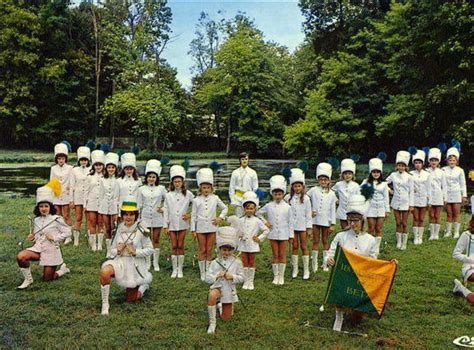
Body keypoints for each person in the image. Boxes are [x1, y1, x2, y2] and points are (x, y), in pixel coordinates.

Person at [326, 194, 378, 331]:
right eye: (350, 220)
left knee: (357, 318)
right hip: (343, 274)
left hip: (360, 277)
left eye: (356, 221)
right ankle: (339, 316)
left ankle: (356, 312)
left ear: (363, 221)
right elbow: (330, 252)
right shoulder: (341, 236)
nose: (353, 224)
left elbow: (373, 260)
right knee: (340, 294)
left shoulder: (370, 240)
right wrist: (328, 259)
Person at [99, 197, 154, 316]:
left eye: (131, 214)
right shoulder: (118, 229)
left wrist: (136, 252)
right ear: (122, 216)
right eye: (126, 214)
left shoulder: (141, 230)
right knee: (105, 272)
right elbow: (111, 251)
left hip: (135, 265)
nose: (128, 217)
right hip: (119, 262)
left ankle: (143, 287)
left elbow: (150, 249)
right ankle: (105, 304)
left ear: (136, 215)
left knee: (131, 299)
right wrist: (117, 251)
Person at [16, 185, 71, 289]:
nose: (44, 209)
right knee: (21, 256)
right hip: (38, 249)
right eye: (41, 206)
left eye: (46, 206)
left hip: (51, 251)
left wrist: (55, 238)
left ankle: (62, 271)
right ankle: (28, 280)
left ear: (50, 207)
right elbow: (38, 235)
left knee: (47, 279)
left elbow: (68, 232)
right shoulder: (36, 220)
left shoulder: (57, 219)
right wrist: (33, 237)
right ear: (38, 208)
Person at [205, 226, 245, 334]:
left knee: (226, 317)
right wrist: (217, 276)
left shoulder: (237, 262)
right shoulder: (215, 262)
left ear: (233, 250)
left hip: (229, 291)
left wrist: (232, 277)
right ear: (220, 249)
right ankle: (212, 323)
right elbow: (207, 278)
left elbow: (242, 278)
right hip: (218, 287)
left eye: (229, 250)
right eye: (224, 250)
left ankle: (220, 306)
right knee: (212, 295)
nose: (226, 253)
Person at [192, 168, 228, 281]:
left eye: (208, 187)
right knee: (202, 249)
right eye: (204, 188)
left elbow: (225, 208)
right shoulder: (196, 200)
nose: (206, 190)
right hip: (201, 228)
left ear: (211, 188)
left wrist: (220, 218)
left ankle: (208, 271)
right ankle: (202, 272)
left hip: (212, 227)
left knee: (209, 249)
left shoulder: (215, 198)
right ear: (200, 188)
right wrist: (193, 230)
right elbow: (193, 216)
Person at [255, 175, 293, 285]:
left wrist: (291, 235)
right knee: (275, 254)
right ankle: (275, 276)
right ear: (272, 194)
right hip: (272, 234)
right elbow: (258, 213)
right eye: (275, 194)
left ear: (283, 194)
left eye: (280, 194)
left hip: (284, 234)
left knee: (282, 254)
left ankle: (281, 276)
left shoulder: (287, 207)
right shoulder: (268, 205)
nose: (277, 196)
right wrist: (265, 222)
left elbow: (291, 223)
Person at [163, 165, 194, 278]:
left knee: (180, 245)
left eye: (179, 181)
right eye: (175, 182)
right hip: (171, 223)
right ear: (172, 182)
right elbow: (165, 210)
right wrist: (165, 225)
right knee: (174, 245)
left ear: (182, 182)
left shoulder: (188, 194)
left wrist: (190, 215)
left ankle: (179, 269)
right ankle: (174, 269)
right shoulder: (168, 195)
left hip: (182, 223)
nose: (177, 184)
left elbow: (197, 204)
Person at [137, 159, 167, 271]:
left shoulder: (161, 189)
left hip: (157, 217)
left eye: (154, 177)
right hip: (145, 217)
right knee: (146, 239)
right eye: (149, 177)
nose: (151, 179)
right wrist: (139, 219)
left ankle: (156, 263)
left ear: (157, 178)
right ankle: (147, 262)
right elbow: (139, 205)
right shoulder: (141, 189)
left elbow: (169, 201)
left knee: (156, 239)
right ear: (146, 177)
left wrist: (163, 209)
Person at [235, 191, 269, 289]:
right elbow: (236, 231)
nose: (249, 210)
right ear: (244, 209)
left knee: (252, 261)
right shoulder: (240, 220)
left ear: (254, 209)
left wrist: (259, 238)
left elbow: (266, 230)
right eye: (247, 208)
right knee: (245, 262)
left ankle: (251, 281)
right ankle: (246, 281)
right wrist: (239, 236)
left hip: (253, 244)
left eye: (251, 209)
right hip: (243, 244)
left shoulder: (257, 220)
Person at [307, 163, 337, 272]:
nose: (323, 181)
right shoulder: (313, 190)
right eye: (321, 179)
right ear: (318, 180)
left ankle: (325, 264)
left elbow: (333, 209)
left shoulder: (332, 194)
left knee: (325, 241)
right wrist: (309, 210)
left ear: (329, 180)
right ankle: (314, 265)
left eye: (325, 179)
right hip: (315, 220)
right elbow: (305, 199)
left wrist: (333, 224)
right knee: (315, 240)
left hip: (326, 220)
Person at [285, 168, 312, 280]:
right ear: (292, 187)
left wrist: (309, 227)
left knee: (304, 246)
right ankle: (295, 269)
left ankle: (306, 270)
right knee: (294, 246)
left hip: (303, 226)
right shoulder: (288, 198)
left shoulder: (306, 199)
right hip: (292, 227)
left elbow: (308, 214)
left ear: (302, 187)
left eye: (299, 186)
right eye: (295, 186)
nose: (297, 188)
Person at [361, 158, 390, 255]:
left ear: (380, 173)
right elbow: (360, 193)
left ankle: (376, 248)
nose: (376, 173)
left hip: (381, 208)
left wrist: (387, 210)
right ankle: (369, 247)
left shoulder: (384, 183)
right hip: (370, 208)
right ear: (371, 172)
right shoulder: (366, 182)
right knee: (371, 228)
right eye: (374, 172)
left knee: (378, 228)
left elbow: (386, 197)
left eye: (378, 172)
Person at [386, 151, 414, 250]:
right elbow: (384, 183)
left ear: (405, 166)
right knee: (398, 222)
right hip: (395, 202)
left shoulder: (409, 177)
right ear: (397, 166)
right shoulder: (393, 175)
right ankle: (399, 241)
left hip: (405, 202)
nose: (401, 167)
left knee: (404, 223)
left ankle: (404, 243)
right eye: (399, 165)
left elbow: (411, 191)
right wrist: (390, 190)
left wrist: (411, 205)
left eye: (403, 166)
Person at [443, 147, 467, 239]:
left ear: (456, 161)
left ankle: (456, 232)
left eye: (453, 160)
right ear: (447, 161)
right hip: (447, 194)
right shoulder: (443, 169)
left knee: (456, 213)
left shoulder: (460, 170)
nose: (452, 162)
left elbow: (463, 183)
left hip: (457, 194)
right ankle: (448, 231)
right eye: (450, 160)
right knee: (449, 213)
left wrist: (463, 195)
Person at [98, 152, 120, 255]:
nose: (111, 169)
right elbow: (101, 194)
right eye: (109, 167)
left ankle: (114, 249)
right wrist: (100, 207)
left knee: (114, 227)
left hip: (115, 206)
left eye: (113, 167)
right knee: (107, 227)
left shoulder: (119, 180)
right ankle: (108, 250)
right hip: (104, 206)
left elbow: (119, 195)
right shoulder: (102, 180)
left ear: (115, 168)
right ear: (106, 169)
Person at [69, 146, 91, 246]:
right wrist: (71, 200)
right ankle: (76, 240)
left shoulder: (91, 169)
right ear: (79, 161)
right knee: (78, 218)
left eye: (85, 160)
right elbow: (71, 186)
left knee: (89, 218)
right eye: (82, 160)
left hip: (89, 198)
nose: (83, 162)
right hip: (77, 196)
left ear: (88, 161)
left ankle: (90, 237)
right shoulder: (74, 170)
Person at [85, 150, 105, 251]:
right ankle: (93, 244)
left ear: (103, 166)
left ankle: (100, 244)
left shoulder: (106, 177)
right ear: (93, 166)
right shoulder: (89, 177)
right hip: (91, 203)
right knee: (92, 222)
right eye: (96, 165)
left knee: (100, 223)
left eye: (100, 165)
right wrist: (85, 204)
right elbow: (86, 191)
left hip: (102, 203)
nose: (98, 167)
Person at [50, 143, 74, 228]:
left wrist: (71, 198)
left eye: (63, 158)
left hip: (66, 195)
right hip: (56, 195)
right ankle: (60, 232)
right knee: (58, 215)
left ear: (65, 159)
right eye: (59, 159)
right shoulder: (53, 168)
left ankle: (68, 233)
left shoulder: (70, 168)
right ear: (56, 159)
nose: (61, 160)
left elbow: (72, 183)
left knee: (66, 215)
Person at [333, 159, 360, 230]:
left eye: (349, 174)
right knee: (344, 229)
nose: (347, 176)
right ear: (342, 175)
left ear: (352, 175)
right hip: (342, 210)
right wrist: (336, 200)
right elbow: (330, 192)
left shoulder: (356, 185)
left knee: (352, 228)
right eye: (345, 174)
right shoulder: (338, 184)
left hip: (352, 210)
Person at [229, 152, 258, 217]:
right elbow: (232, 187)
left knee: (249, 218)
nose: (244, 161)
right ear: (240, 160)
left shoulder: (253, 172)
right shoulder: (235, 172)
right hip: (238, 198)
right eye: (242, 159)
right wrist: (232, 200)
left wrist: (254, 200)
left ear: (248, 160)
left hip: (249, 198)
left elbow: (255, 188)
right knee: (238, 218)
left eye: (246, 159)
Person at [452, 216, 474, 304]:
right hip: (469, 267)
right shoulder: (467, 235)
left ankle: (460, 288)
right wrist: (470, 259)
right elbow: (455, 254)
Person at [426, 148, 447, 240]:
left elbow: (444, 186)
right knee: (431, 215)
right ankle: (431, 234)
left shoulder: (442, 172)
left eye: (435, 160)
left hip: (439, 195)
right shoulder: (426, 171)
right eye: (432, 160)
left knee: (437, 215)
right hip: (429, 195)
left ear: (438, 162)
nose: (433, 162)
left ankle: (436, 234)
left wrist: (444, 197)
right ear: (429, 161)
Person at [410, 150, 430, 245]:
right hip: (413, 199)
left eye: (419, 163)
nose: (418, 165)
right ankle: (415, 237)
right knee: (415, 218)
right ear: (414, 163)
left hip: (423, 198)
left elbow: (429, 188)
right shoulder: (410, 174)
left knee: (421, 218)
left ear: (423, 164)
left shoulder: (427, 174)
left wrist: (429, 200)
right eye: (416, 163)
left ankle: (420, 237)